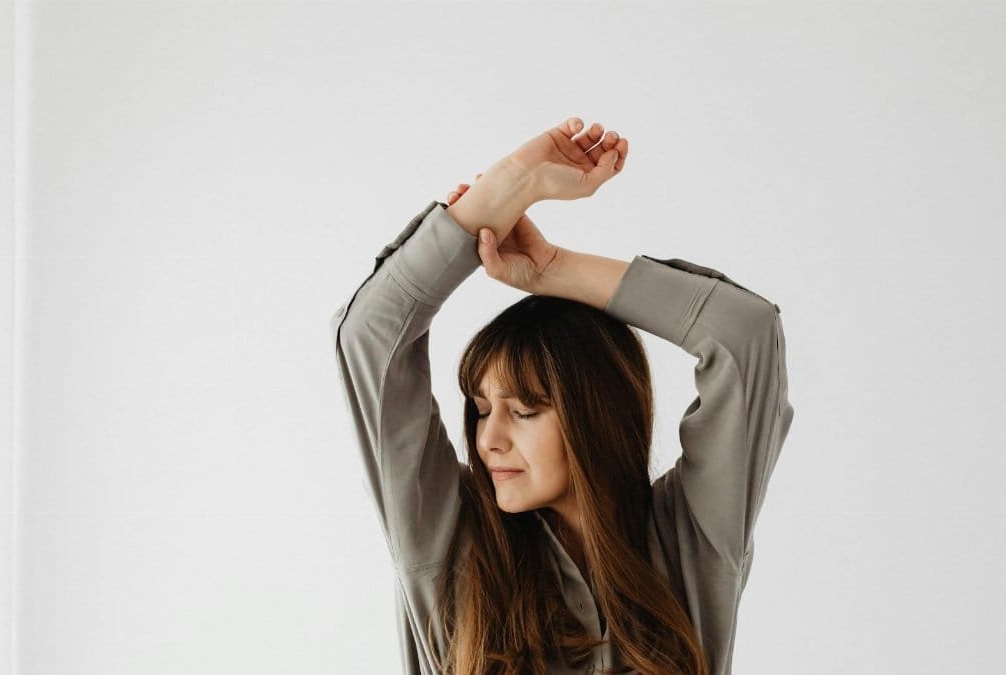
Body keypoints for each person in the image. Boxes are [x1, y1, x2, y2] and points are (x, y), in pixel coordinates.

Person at [331, 117, 795, 675]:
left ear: (596, 415)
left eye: (524, 410)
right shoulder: (450, 543)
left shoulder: (688, 540)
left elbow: (746, 336)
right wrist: (502, 192)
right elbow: (370, 337)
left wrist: (555, 270)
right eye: (480, 411)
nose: (489, 441)